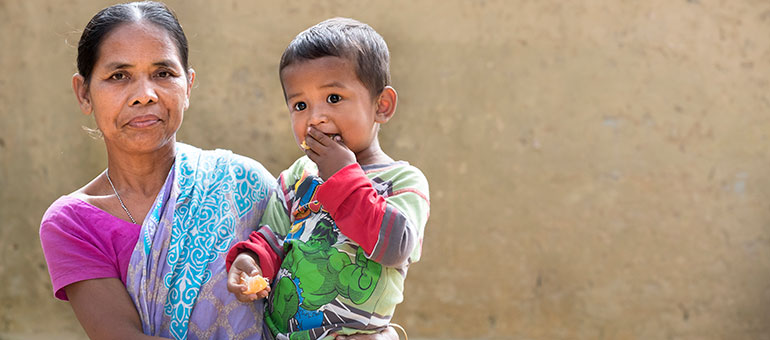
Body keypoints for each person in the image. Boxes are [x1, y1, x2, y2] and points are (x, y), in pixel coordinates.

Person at [39, 3, 398, 340]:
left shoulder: (243, 184)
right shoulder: (73, 223)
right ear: (84, 93)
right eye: (119, 76)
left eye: (163, 73)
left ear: (188, 85)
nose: (144, 94)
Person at [225, 18, 431, 340]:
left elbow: (396, 247)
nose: (315, 117)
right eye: (300, 105)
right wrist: (251, 261)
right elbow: (273, 236)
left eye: (333, 98)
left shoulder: (402, 181)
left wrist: (342, 177)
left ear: (382, 106)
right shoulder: (297, 176)